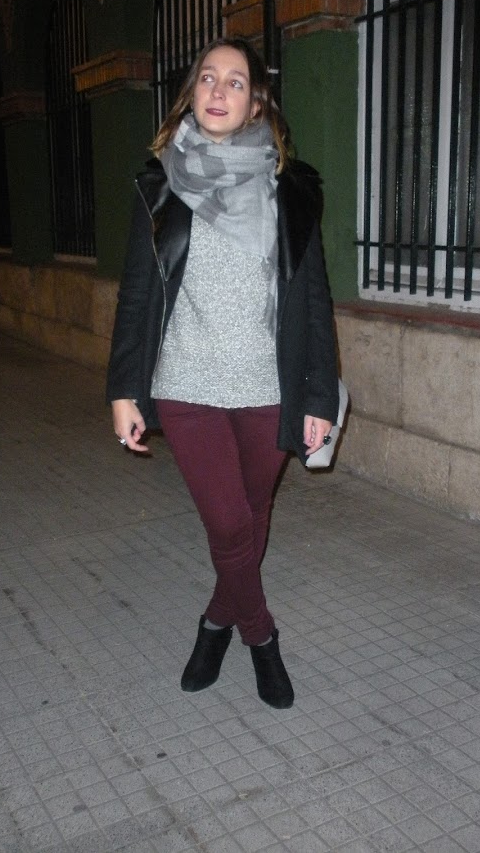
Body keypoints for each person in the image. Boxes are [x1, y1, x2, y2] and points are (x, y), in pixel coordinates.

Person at [106, 38, 339, 709]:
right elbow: (136, 294)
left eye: (235, 82)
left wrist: (318, 396)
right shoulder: (159, 186)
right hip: (186, 385)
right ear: (191, 94)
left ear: (256, 102)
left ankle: (215, 623)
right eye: (207, 78)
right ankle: (261, 637)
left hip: (268, 388)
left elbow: (314, 302)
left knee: (251, 516)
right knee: (230, 524)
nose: (218, 90)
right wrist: (123, 389)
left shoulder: (291, 192)